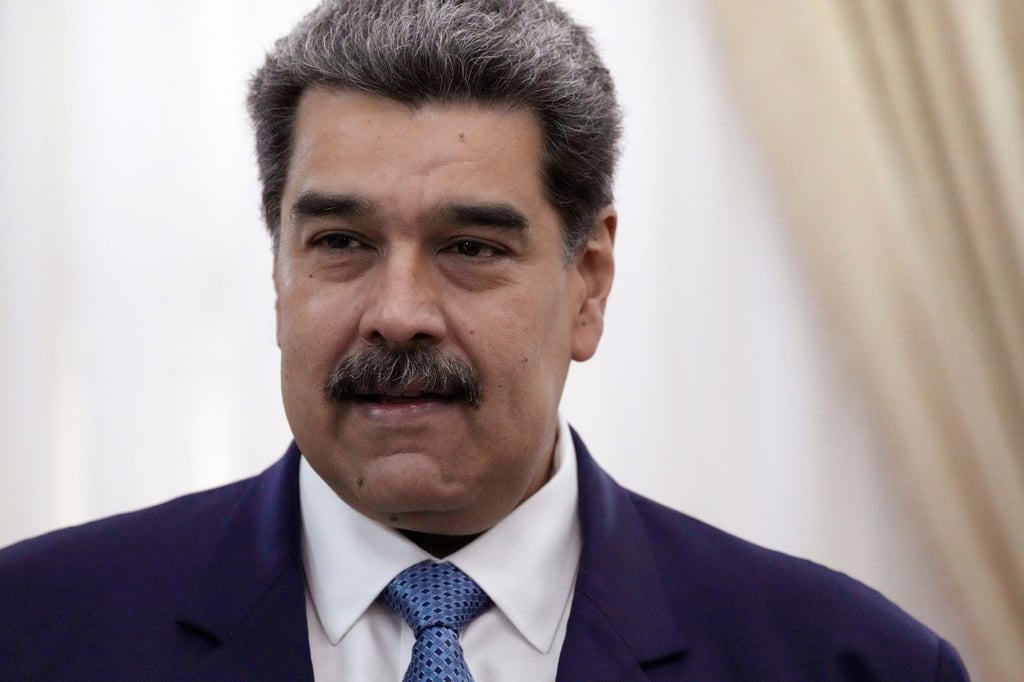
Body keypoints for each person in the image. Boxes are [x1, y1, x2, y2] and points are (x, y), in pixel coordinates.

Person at [0, 1, 969, 680]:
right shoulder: (32, 632)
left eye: (469, 247)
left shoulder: (843, 662)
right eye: (340, 244)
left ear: (586, 283)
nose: (398, 311)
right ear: (277, 268)